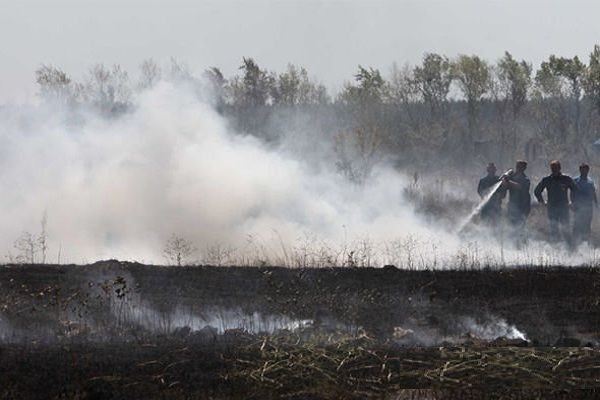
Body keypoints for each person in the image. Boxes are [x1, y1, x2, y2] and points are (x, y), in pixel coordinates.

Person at [534, 160, 576, 243]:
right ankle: (556, 249)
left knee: (566, 228)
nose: (554, 170)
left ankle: (570, 250)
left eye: (556, 168)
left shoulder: (566, 179)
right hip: (552, 208)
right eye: (552, 168)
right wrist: (542, 202)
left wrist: (572, 201)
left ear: (559, 168)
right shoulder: (547, 180)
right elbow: (537, 191)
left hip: (564, 208)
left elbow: (575, 190)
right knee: (554, 229)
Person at [501, 160, 531, 246]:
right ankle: (512, 246)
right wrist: (504, 181)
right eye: (517, 166)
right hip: (512, 206)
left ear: (524, 168)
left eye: (520, 167)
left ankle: (523, 246)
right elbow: (504, 193)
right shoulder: (512, 177)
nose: (518, 168)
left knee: (520, 227)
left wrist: (508, 180)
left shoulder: (526, 179)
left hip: (523, 207)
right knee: (511, 226)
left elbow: (519, 187)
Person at [572, 163, 597, 244]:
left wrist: (596, 203)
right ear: (580, 170)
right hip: (578, 207)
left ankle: (586, 243)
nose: (584, 171)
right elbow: (572, 193)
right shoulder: (575, 180)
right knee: (577, 225)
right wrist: (573, 203)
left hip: (588, 207)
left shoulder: (590, 181)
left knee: (587, 225)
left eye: (585, 170)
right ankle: (575, 244)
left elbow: (593, 193)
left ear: (588, 170)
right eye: (582, 169)